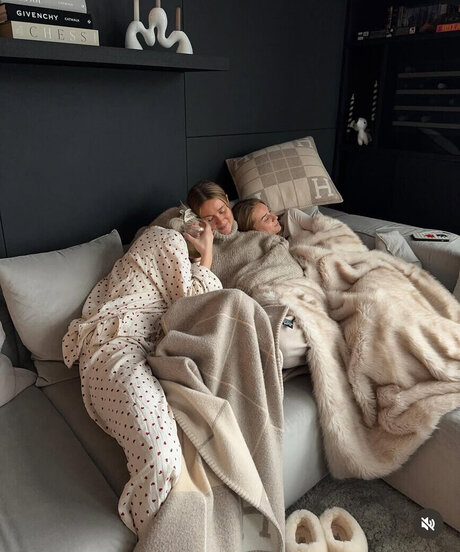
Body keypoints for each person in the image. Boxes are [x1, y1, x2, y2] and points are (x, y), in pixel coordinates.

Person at [62, 225, 222, 536]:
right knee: (162, 457)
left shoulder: (176, 269)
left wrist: (199, 261)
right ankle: (157, 539)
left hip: (149, 354)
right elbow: (192, 307)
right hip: (113, 347)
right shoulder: (165, 238)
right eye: (209, 219)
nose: (214, 227)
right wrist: (207, 255)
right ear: (190, 222)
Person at [185, 180, 311, 370]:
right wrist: (199, 239)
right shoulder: (204, 253)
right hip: (260, 311)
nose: (221, 221)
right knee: (282, 344)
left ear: (227, 200)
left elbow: (289, 265)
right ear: (198, 219)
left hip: (291, 295)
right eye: (210, 219)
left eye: (222, 211)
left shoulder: (258, 236)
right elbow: (200, 296)